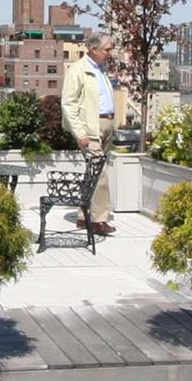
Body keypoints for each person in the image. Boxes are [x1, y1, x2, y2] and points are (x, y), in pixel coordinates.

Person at [59, 33, 118, 235]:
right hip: (90, 128)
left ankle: (84, 216)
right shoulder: (78, 71)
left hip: (106, 125)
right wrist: (80, 132)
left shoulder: (101, 70)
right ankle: (99, 219)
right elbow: (68, 104)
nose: (110, 53)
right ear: (93, 49)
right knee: (99, 171)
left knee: (92, 172)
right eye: (107, 50)